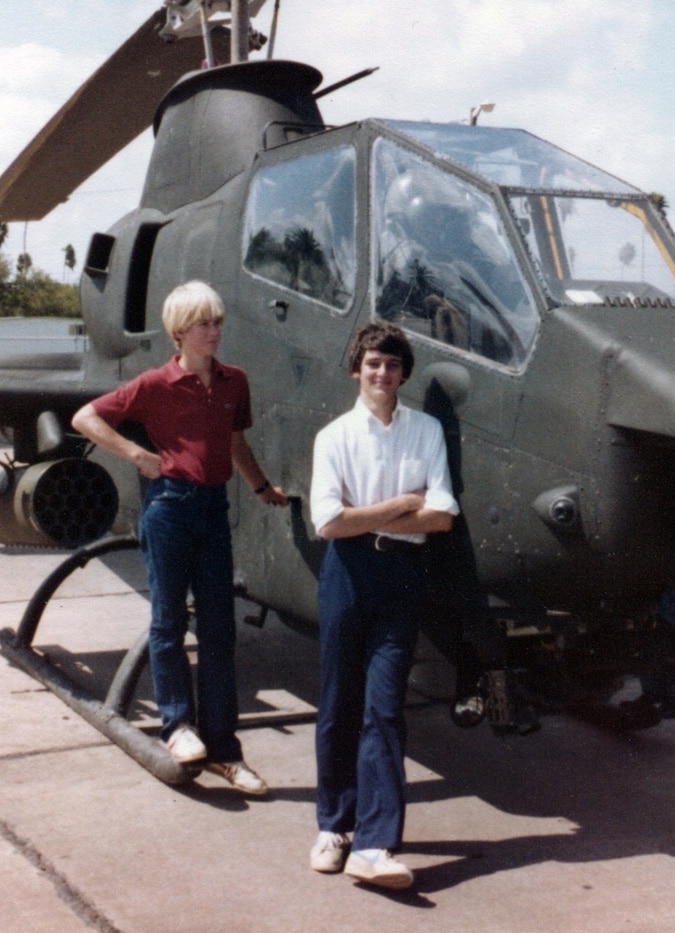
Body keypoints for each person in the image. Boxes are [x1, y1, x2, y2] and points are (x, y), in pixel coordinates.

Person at [71, 281, 289, 796]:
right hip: (168, 508)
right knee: (168, 621)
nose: (213, 333)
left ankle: (226, 752)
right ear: (179, 332)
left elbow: (235, 438)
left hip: (214, 508)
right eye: (202, 325)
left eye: (217, 323)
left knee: (219, 630)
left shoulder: (234, 381)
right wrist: (136, 455)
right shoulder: (155, 384)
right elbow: (86, 417)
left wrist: (259, 486)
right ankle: (178, 728)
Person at [307, 322, 459, 889]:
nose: (382, 373)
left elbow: (441, 515)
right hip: (346, 574)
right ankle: (333, 827)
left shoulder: (426, 431)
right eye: (373, 363)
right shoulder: (334, 437)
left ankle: (375, 844)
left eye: (392, 365)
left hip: (402, 574)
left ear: (403, 373)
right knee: (338, 702)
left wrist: (364, 513)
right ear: (356, 369)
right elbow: (328, 523)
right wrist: (400, 503)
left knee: (385, 707)